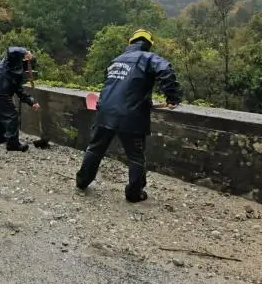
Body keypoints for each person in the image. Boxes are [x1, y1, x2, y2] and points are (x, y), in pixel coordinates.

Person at [75, 29, 183, 202]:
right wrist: (172, 97)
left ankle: (82, 182)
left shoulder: (116, 61)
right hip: (131, 115)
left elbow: (113, 85)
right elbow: (166, 70)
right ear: (148, 45)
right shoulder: (148, 58)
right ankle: (134, 194)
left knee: (95, 149)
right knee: (135, 156)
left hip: (105, 110)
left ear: (131, 42)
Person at [0, 46, 41, 152]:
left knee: (1, 113)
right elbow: (11, 50)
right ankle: (13, 144)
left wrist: (31, 102)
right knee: (11, 115)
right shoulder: (11, 60)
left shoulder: (17, 72)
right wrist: (24, 52)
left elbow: (19, 91)